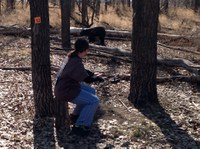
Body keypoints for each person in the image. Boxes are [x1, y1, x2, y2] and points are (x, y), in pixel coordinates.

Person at [54, 38, 103, 137]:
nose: (87, 52)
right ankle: (81, 126)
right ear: (84, 50)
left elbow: (83, 71)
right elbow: (87, 80)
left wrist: (93, 74)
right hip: (66, 90)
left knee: (92, 91)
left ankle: (75, 116)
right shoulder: (75, 61)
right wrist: (97, 78)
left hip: (65, 86)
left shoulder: (73, 56)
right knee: (94, 101)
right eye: (87, 50)